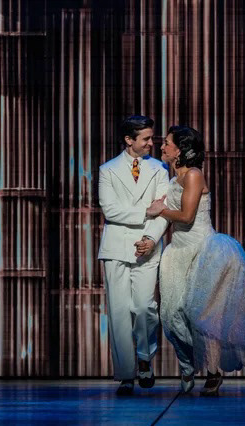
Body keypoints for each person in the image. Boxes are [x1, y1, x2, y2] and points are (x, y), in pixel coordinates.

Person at [144, 125, 245, 396]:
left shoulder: (194, 175)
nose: (162, 147)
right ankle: (188, 363)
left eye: (167, 143)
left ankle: (213, 371)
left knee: (203, 315)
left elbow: (186, 216)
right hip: (177, 253)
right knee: (170, 315)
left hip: (204, 251)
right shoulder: (173, 179)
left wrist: (161, 210)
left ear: (180, 150)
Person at [97, 115, 169, 395]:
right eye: (146, 138)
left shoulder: (159, 168)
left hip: (147, 246)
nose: (152, 143)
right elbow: (110, 210)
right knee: (118, 312)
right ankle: (126, 374)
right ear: (129, 140)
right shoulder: (108, 170)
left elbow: (163, 210)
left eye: (152, 137)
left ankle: (144, 357)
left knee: (143, 308)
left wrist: (150, 239)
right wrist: (145, 211)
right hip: (116, 247)